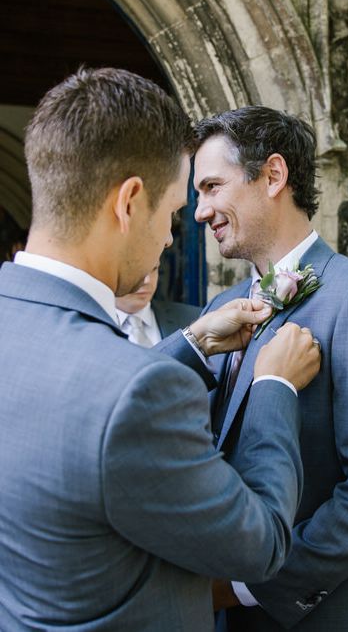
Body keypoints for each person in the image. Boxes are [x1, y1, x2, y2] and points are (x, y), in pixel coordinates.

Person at [0, 67, 321, 631]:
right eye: (173, 210)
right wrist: (273, 387)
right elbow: (262, 543)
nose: (175, 235)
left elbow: (91, 416)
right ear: (128, 202)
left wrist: (192, 344)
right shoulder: (133, 392)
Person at [170, 105, 348, 631]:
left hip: (321, 615)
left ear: (273, 176)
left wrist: (248, 586)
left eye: (213, 187)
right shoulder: (222, 306)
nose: (200, 211)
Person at [116, 266, 200, 346]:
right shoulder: (103, 331)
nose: (147, 280)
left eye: (154, 268)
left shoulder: (197, 318)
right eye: (135, 271)